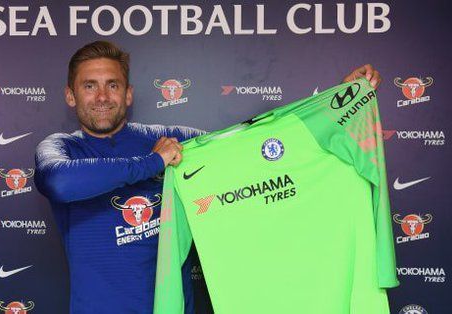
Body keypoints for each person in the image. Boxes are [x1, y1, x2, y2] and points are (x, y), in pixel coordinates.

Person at [34, 40, 382, 314]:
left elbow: (249, 145)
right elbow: (59, 183)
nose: (102, 97)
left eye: (112, 85)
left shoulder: (172, 137)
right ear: (70, 95)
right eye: (89, 86)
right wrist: (152, 163)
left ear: (128, 94)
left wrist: (335, 104)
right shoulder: (62, 148)